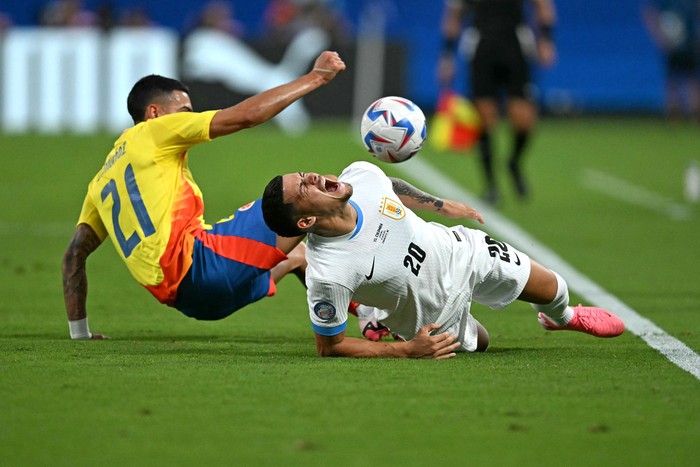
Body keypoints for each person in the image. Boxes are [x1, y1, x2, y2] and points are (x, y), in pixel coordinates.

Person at [61, 51, 346, 340]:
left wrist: (80, 334)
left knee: (296, 254)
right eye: (184, 111)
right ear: (154, 113)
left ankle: (360, 316)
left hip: (196, 303)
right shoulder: (153, 131)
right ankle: (379, 303)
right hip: (202, 266)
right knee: (308, 197)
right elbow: (246, 116)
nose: (190, 117)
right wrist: (315, 78)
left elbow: (73, 256)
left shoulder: (100, 182)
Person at [260, 161, 625, 359]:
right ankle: (373, 314)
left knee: (553, 288)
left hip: (461, 251)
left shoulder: (362, 174)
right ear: (306, 222)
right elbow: (329, 347)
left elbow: (391, 185)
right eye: (303, 187)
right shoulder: (329, 273)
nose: (310, 176)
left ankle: (563, 318)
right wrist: (406, 350)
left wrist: (440, 204)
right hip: (431, 313)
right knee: (480, 344)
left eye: (303, 173)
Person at [438, 0, 557, 204]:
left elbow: (543, 5)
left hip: (515, 44)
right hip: (482, 45)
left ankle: (514, 162)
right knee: (484, 118)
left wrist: (546, 39)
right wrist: (447, 55)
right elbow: (454, 15)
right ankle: (491, 185)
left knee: (524, 118)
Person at [642, 0, 700, 121]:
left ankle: (694, 114)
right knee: (672, 81)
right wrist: (659, 37)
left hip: (688, 45)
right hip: (672, 47)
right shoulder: (667, 3)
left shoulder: (689, 4)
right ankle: (674, 115)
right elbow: (649, 13)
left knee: (691, 80)